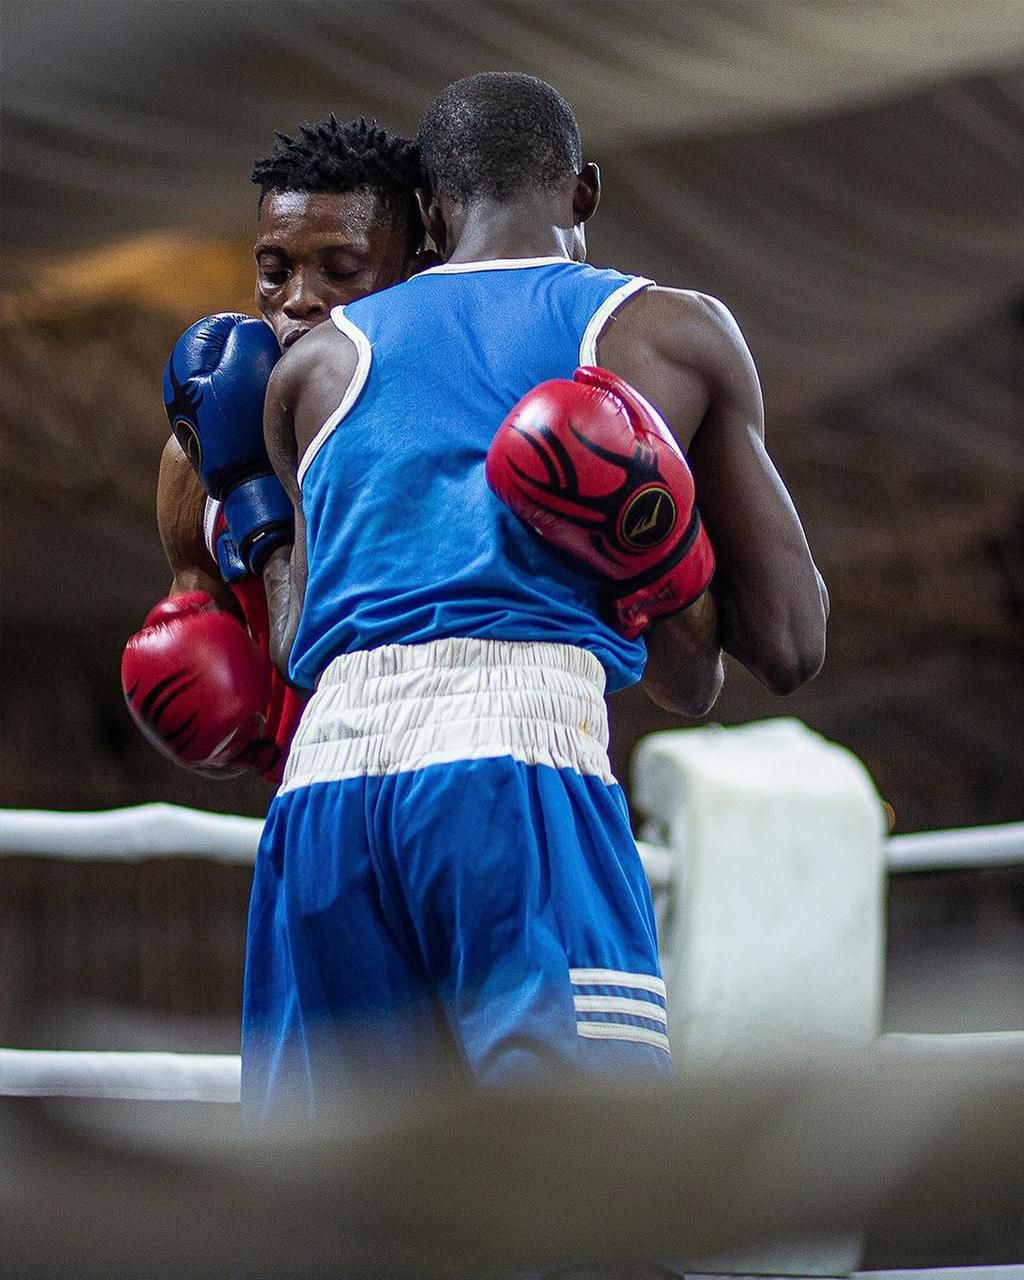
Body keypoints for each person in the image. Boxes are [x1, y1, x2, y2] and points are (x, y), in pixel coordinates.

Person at [241, 73, 827, 1118]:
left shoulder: (311, 371)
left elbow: (301, 644)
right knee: (584, 1179)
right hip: (514, 769)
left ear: (429, 217)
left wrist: (244, 525)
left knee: (340, 1194)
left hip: (323, 791)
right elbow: (787, 642)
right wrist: (656, 548)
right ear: (584, 190)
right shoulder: (666, 332)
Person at [122, 117, 429, 782]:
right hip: (312, 790)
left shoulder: (442, 429)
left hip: (444, 772)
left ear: (415, 276)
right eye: (274, 272)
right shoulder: (195, 461)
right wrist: (222, 727)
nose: (299, 300)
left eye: (340, 270)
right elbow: (219, 654)